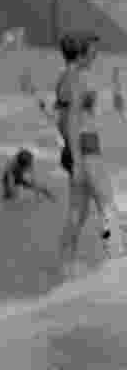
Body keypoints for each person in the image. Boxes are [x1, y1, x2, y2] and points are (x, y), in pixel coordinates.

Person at [54, 32, 123, 273]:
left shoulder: (65, 78)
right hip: (86, 148)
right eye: (92, 51)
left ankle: (65, 265)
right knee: (107, 205)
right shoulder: (77, 80)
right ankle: (117, 260)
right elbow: (72, 119)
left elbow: (62, 119)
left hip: (76, 148)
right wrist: (79, 161)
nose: (95, 56)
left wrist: (70, 153)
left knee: (78, 212)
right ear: (81, 53)